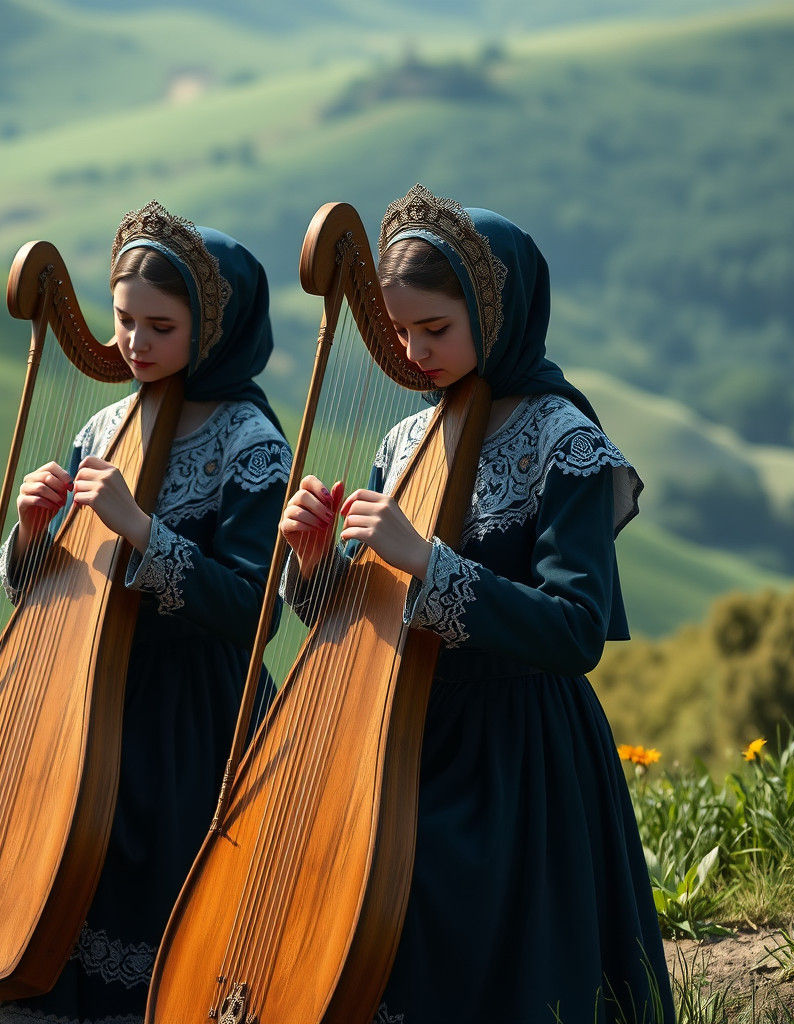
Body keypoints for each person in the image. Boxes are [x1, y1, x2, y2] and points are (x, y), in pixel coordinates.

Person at [279, 184, 673, 1024]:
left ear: (497, 317)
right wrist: (317, 569)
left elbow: (574, 631)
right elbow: (376, 612)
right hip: (408, 742)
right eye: (398, 333)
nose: (416, 352)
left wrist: (426, 560)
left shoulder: (566, 441)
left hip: (520, 762)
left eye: (436, 329)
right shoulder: (404, 440)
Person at [0, 200, 291, 1024]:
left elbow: (255, 610)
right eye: (121, 321)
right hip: (78, 700)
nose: (133, 344)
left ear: (213, 333)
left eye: (160, 326)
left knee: (137, 898)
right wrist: (32, 535)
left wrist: (144, 530)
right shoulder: (106, 423)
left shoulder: (251, 442)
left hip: (187, 721)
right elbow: (48, 588)